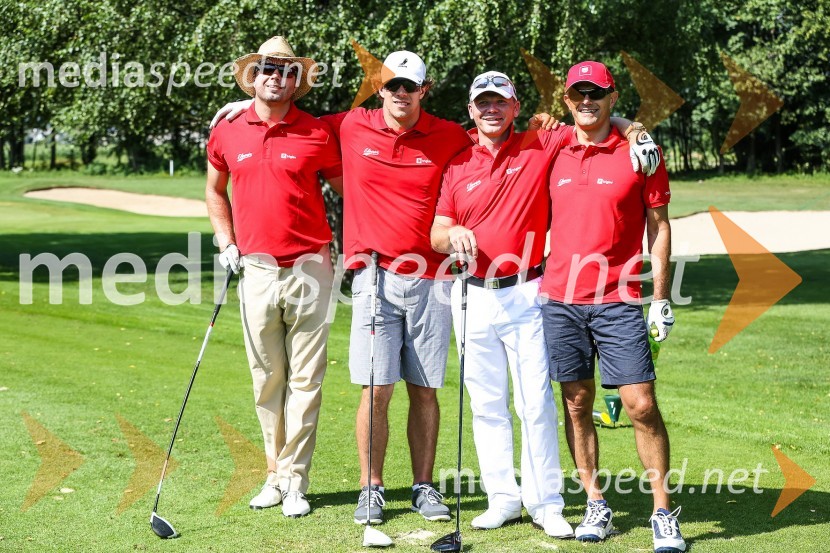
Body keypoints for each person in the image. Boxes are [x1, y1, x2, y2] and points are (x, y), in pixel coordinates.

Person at [430, 71, 659, 538]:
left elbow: (592, 116)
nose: (491, 110)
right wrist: (450, 235)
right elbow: (436, 231)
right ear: (471, 112)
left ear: (516, 108)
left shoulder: (542, 143)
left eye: (500, 102)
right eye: (482, 103)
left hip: (528, 291)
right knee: (486, 402)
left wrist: (637, 129)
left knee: (535, 402)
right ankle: (503, 499)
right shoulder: (457, 165)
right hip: (471, 295)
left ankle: (546, 503)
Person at [540, 60, 685, 552]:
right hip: (559, 298)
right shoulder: (552, 145)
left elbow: (659, 225)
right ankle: (595, 502)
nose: (587, 101)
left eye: (596, 93)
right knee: (577, 404)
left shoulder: (640, 153)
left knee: (640, 404)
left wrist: (660, 298)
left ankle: (663, 512)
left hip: (619, 298)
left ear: (612, 96)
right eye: (578, 94)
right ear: (566, 100)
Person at [205, 36, 343, 518]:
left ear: (296, 79)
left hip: (311, 265)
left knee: (306, 381)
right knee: (267, 380)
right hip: (257, 268)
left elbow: (351, 190)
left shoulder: (319, 132)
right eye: (267, 68)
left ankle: (295, 481)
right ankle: (272, 475)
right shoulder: (227, 130)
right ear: (254, 74)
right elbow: (214, 191)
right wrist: (225, 242)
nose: (275, 77)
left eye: (285, 70)